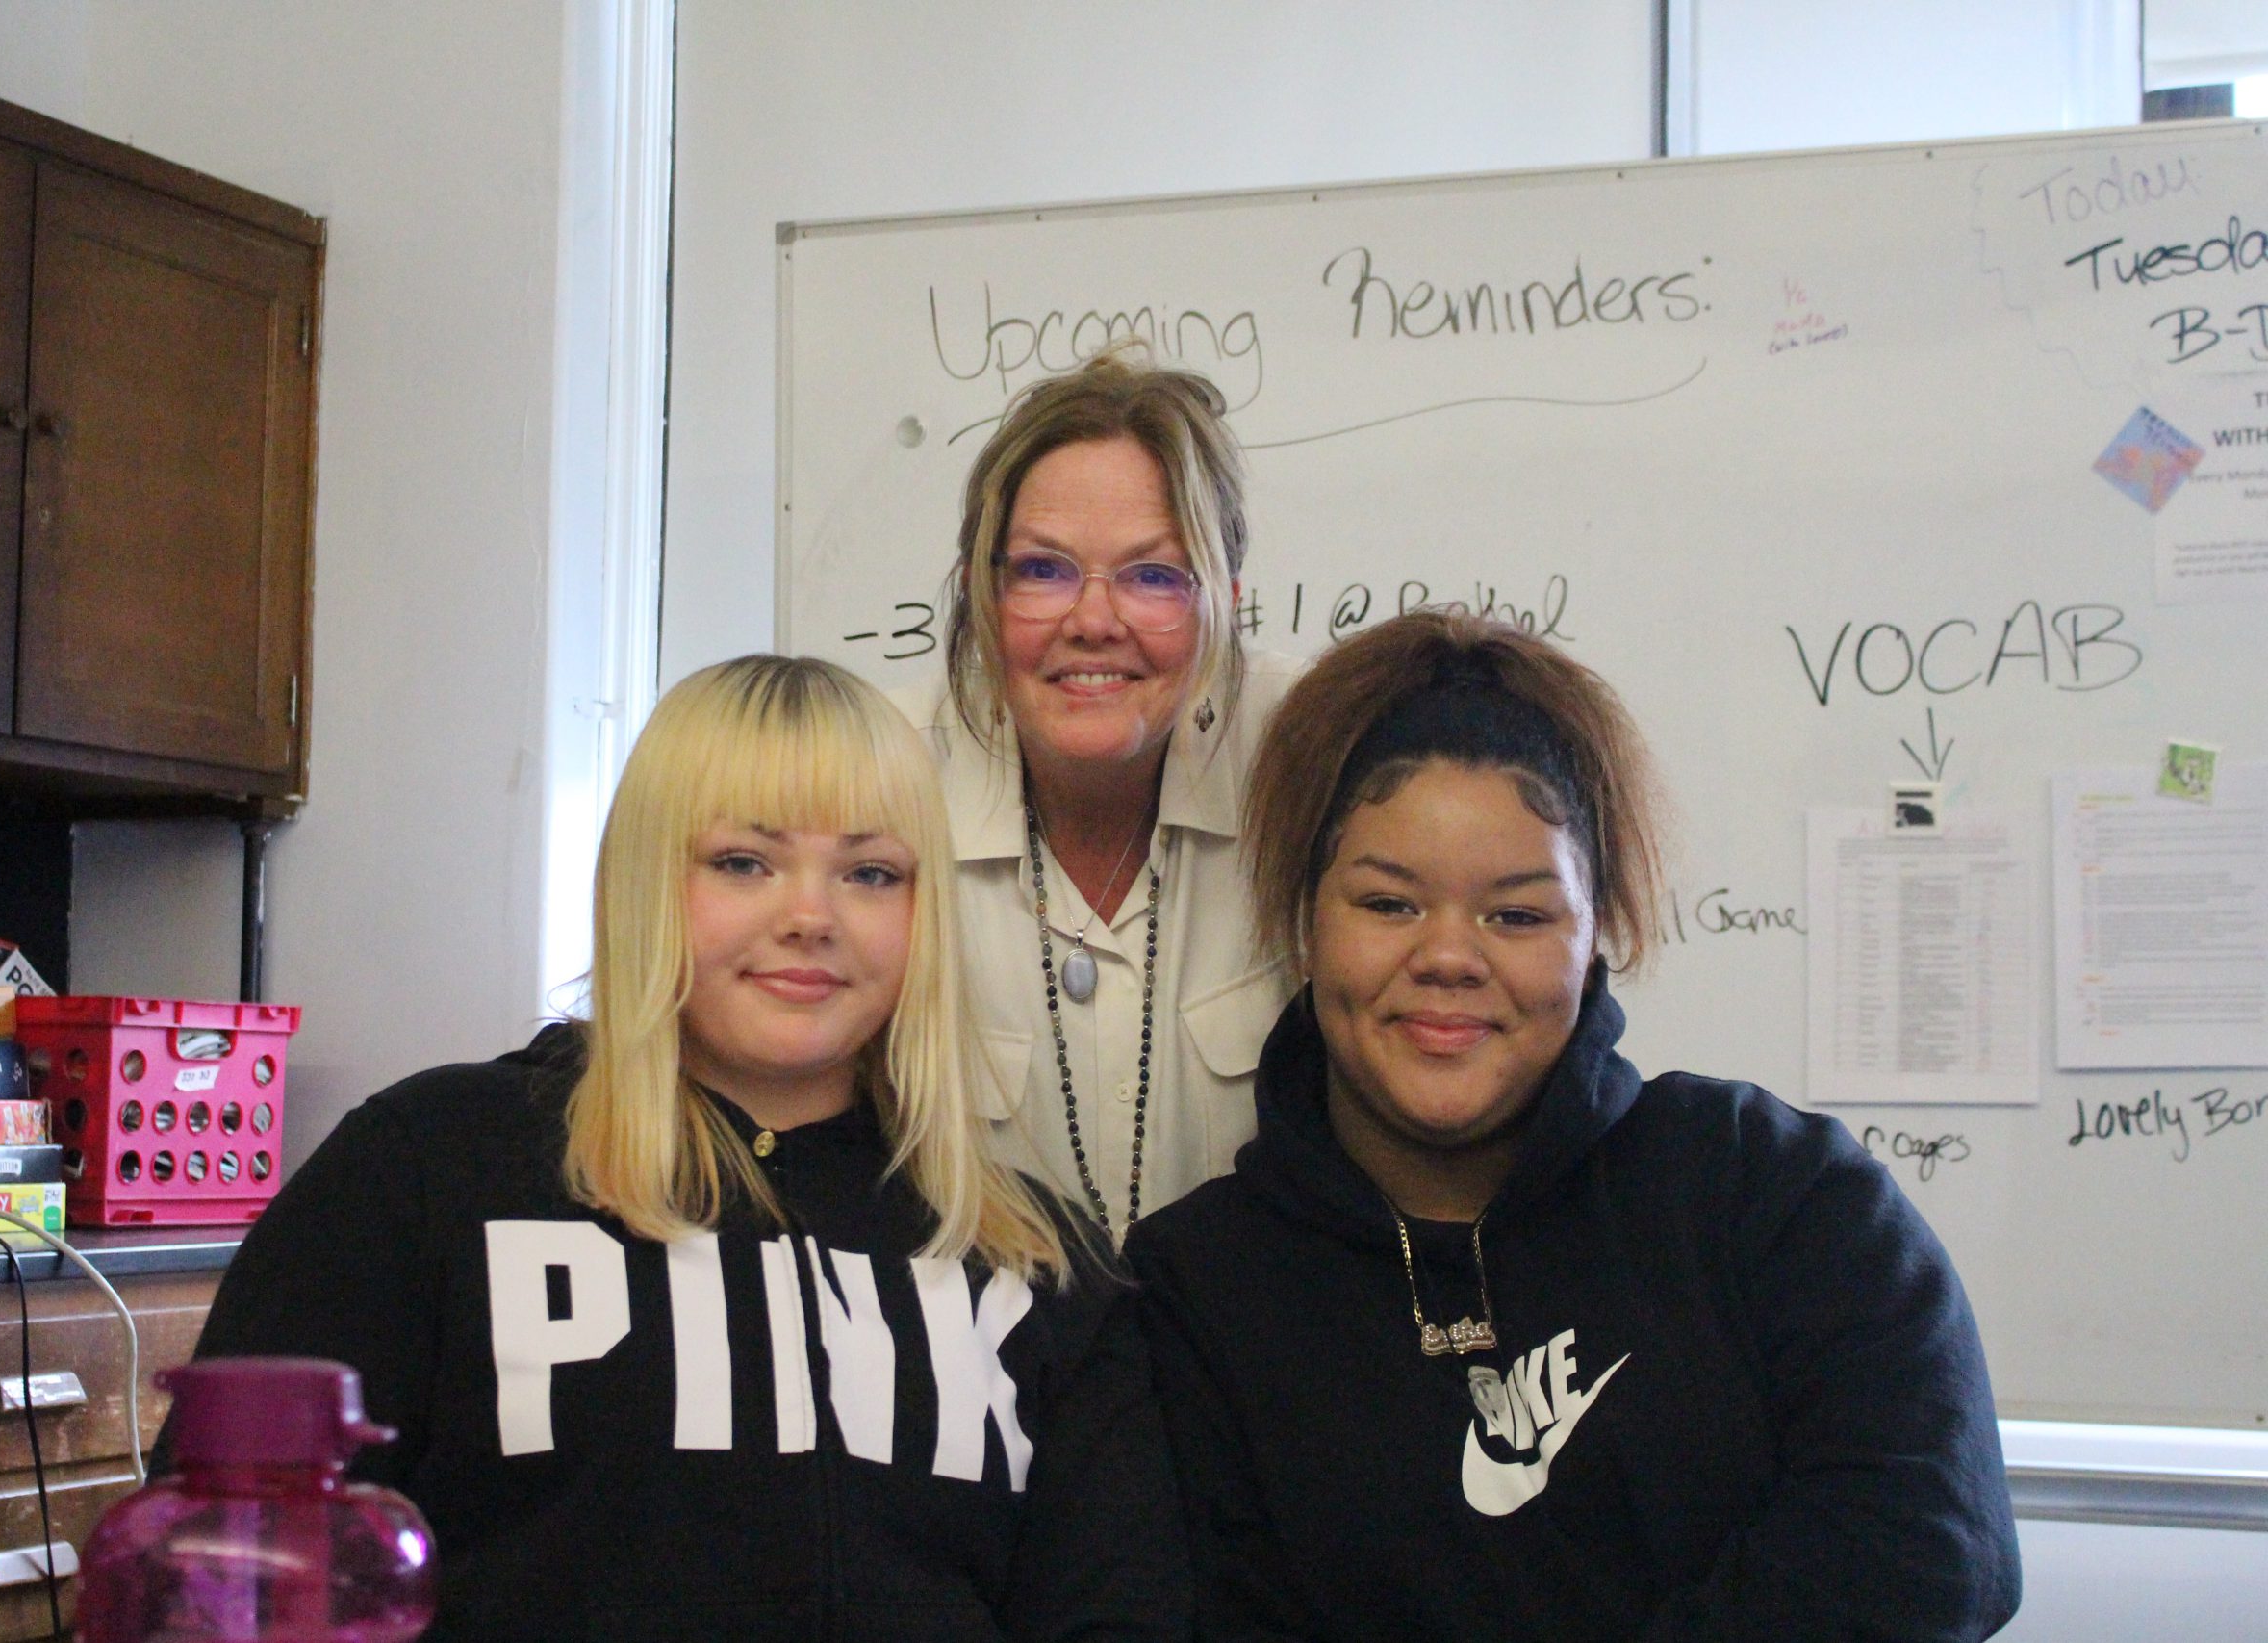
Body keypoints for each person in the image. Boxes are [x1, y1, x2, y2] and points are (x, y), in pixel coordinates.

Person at [189, 655, 1190, 1641]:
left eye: (870, 872)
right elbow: (235, 1576)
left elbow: (1115, 1613)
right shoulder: (426, 1169)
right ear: (643, 878)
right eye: (743, 862)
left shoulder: (1035, 1262)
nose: (811, 917)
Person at [1124, 613, 2021, 1641]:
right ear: (1302, 921)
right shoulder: (1194, 1290)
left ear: (1602, 933)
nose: (1450, 957)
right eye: (1387, 903)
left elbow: (1926, 1556)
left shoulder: (1776, 1193)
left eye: (1517, 915)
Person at [905, 348, 1299, 1243]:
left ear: (1224, 606)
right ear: (982, 592)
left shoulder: (1317, 761)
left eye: (1153, 575)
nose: (1093, 619)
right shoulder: (875, 785)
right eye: (1043, 570)